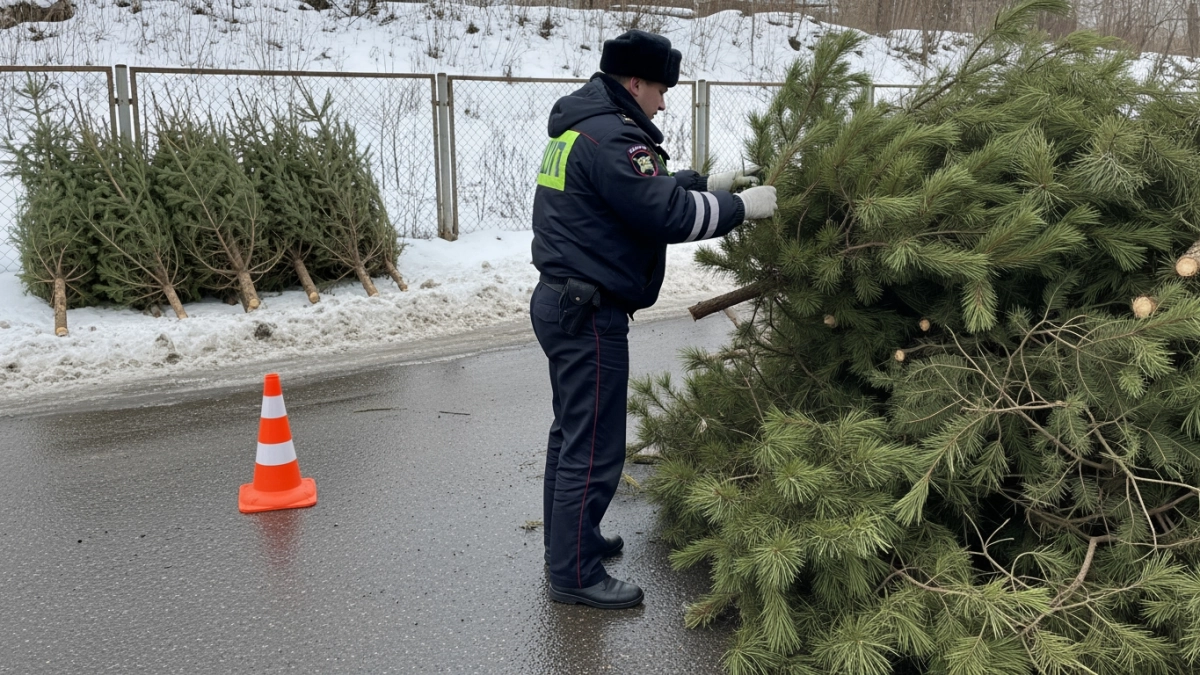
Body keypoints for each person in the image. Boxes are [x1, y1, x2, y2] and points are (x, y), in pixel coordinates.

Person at [529, 29, 778, 610]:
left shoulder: (583, 126)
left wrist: (707, 183)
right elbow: (664, 213)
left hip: (565, 301)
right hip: (589, 311)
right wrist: (740, 208)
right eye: (661, 90)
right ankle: (574, 574)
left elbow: (637, 190)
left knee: (572, 435)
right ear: (635, 82)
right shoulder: (613, 137)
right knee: (594, 446)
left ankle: (570, 545)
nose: (664, 103)